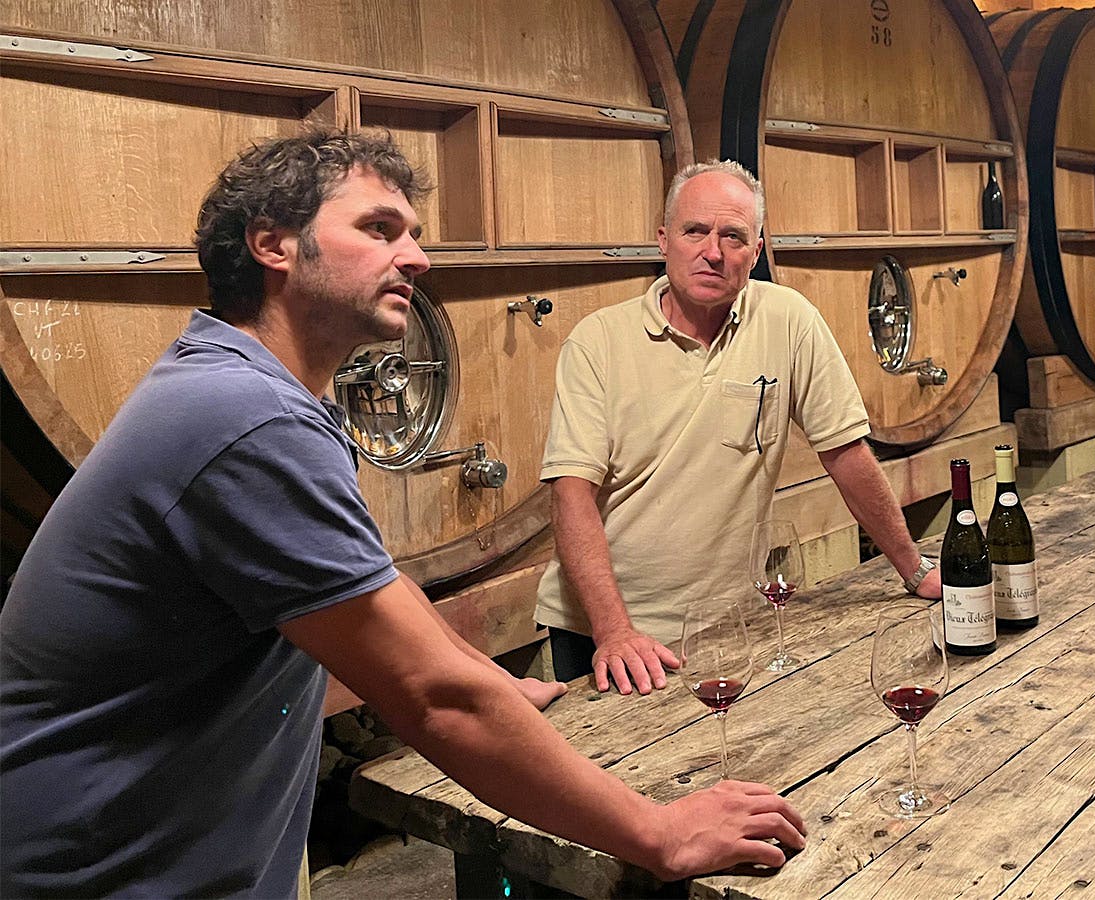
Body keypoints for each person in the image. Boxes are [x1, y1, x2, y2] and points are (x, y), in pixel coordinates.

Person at [0, 131, 805, 898]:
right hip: (105, 874)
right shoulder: (247, 418)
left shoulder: (253, 392)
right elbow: (434, 699)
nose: (416, 257)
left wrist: (489, 674)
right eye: (379, 229)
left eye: (412, 233)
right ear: (273, 245)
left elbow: (373, 589)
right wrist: (661, 834)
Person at [537, 160, 943, 692]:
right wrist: (615, 631)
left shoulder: (788, 319)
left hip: (728, 624)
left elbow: (846, 455)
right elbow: (571, 494)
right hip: (609, 632)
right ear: (663, 240)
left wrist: (913, 570)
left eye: (733, 236)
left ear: (755, 251)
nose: (713, 251)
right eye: (695, 231)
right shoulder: (597, 342)